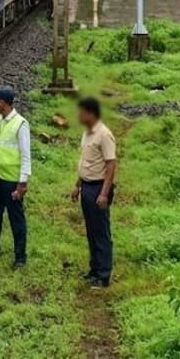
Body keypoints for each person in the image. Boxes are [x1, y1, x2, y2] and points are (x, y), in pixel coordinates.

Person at [71, 97, 117, 288]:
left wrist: (104, 194)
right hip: (87, 186)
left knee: (101, 232)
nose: (78, 115)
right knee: (91, 231)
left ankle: (104, 274)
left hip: (99, 187)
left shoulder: (104, 135)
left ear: (90, 113)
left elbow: (111, 165)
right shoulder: (87, 133)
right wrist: (77, 185)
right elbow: (85, 162)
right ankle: (94, 269)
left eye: (81, 112)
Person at [0, 87, 32, 267]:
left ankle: (20, 257)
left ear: (3, 102)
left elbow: (26, 155)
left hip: (12, 180)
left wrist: (22, 182)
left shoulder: (21, 124)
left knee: (16, 219)